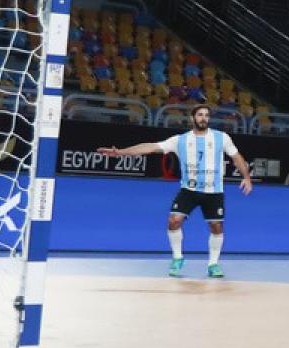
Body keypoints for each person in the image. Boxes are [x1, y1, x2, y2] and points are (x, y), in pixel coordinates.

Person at [96, 104, 254, 278]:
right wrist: (119, 153)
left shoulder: (221, 138)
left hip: (214, 191)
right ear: (193, 118)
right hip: (189, 190)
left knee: (216, 226)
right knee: (173, 221)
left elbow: (237, 157)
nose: (204, 118)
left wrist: (246, 177)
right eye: (200, 115)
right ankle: (177, 258)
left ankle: (213, 264)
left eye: (206, 115)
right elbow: (150, 147)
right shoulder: (180, 140)